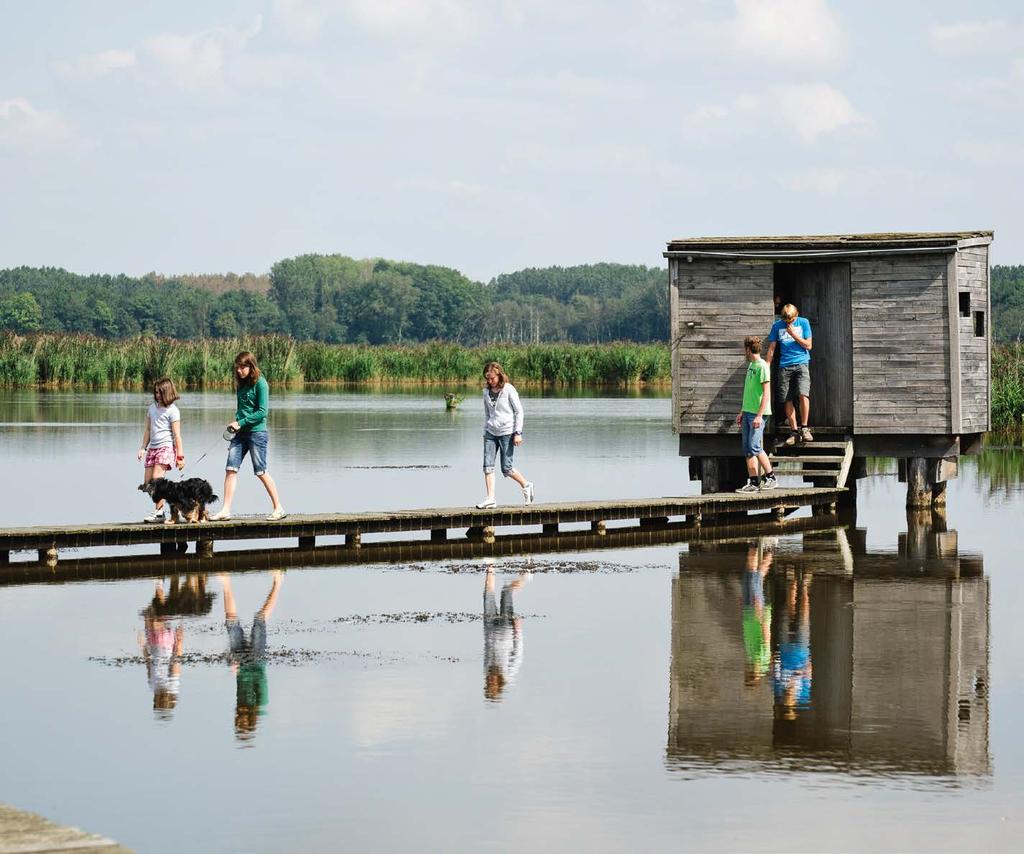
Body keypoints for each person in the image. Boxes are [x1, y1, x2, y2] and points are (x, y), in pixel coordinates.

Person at [210, 352, 285, 521]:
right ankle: (225, 510)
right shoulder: (241, 385)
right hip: (239, 433)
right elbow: (242, 409)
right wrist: (236, 423)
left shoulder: (261, 384)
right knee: (230, 469)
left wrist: (241, 422)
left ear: (251, 366)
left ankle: (278, 508)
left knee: (261, 471)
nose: (239, 371)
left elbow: (262, 412)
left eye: (243, 367)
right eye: (237, 367)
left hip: (257, 433)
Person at [219, 571, 282, 743]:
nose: (240, 718)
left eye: (238, 722)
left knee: (231, 622)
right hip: (256, 659)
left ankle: (226, 582)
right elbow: (260, 678)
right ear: (251, 722)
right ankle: (278, 582)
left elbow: (240, 682)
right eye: (243, 722)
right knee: (260, 619)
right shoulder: (261, 705)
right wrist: (242, 668)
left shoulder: (239, 705)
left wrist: (235, 667)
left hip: (241, 662)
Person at [475, 361, 534, 509]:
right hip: (490, 432)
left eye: (492, 378)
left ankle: (526, 485)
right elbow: (487, 414)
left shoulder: (508, 389)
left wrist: (518, 433)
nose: (489, 381)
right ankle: (490, 498)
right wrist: (484, 432)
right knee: (487, 466)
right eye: (487, 378)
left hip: (507, 432)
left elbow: (519, 411)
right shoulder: (485, 392)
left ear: (499, 375)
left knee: (506, 469)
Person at [137, 377, 185, 522]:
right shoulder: (152, 408)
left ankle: (159, 512)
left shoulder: (173, 411)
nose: (157, 395)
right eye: (155, 392)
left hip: (166, 448)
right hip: (152, 448)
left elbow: (177, 435)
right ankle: (173, 504)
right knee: (147, 484)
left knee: (157, 481)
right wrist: (142, 448)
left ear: (167, 392)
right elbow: (147, 430)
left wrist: (180, 457)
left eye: (160, 392)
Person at [766, 303, 813, 445]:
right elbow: (772, 348)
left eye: (791, 320)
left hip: (801, 363)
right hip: (784, 366)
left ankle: (804, 428)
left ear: (796, 315)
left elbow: (808, 345)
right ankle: (793, 432)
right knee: (787, 398)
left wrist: (793, 334)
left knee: (803, 394)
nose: (789, 323)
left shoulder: (803, 322)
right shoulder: (777, 326)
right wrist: (766, 366)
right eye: (786, 321)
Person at [735, 336, 777, 493]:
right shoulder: (751, 365)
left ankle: (771, 477)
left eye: (744, 349)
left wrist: (759, 415)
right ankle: (753, 482)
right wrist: (742, 412)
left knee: (755, 446)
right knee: (747, 449)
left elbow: (766, 394)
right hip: (748, 412)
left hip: (758, 414)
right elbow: (749, 392)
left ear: (747, 349)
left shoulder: (762, 366)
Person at [482, 563, 528, 701]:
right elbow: (518, 654)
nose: (490, 682)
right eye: (492, 685)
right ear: (499, 685)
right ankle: (526, 574)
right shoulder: (508, 673)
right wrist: (518, 630)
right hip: (506, 629)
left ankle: (490, 565)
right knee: (506, 590)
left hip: (489, 626)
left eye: (488, 685)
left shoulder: (486, 670)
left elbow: (487, 649)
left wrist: (485, 629)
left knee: (487, 594)